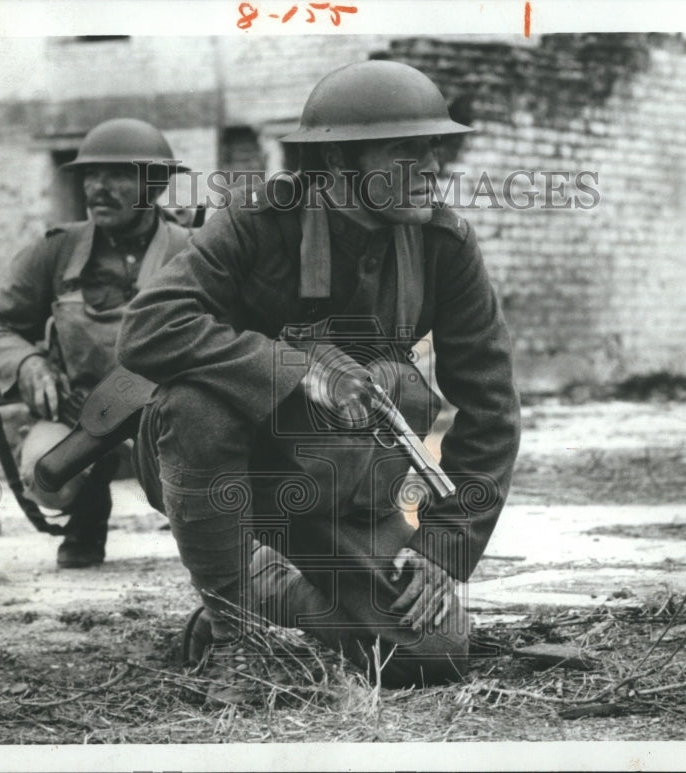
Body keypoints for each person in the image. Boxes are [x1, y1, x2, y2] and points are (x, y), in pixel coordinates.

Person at [117, 60, 521, 706]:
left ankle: (261, 586)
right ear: (337, 160)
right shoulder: (257, 222)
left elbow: (492, 408)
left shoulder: (443, 244)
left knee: (429, 652)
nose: (432, 168)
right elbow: (147, 329)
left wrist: (444, 545)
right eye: (406, 153)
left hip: (342, 486)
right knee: (195, 405)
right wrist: (298, 370)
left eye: (434, 149)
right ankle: (234, 631)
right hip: (233, 476)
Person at [0, 118, 194, 568]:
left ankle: (211, 543)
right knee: (47, 474)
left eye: (117, 175)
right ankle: (87, 515)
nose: (98, 188)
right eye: (91, 175)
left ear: (155, 186)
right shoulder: (56, 251)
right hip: (79, 417)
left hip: (168, 418)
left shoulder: (194, 251)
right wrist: (28, 362)